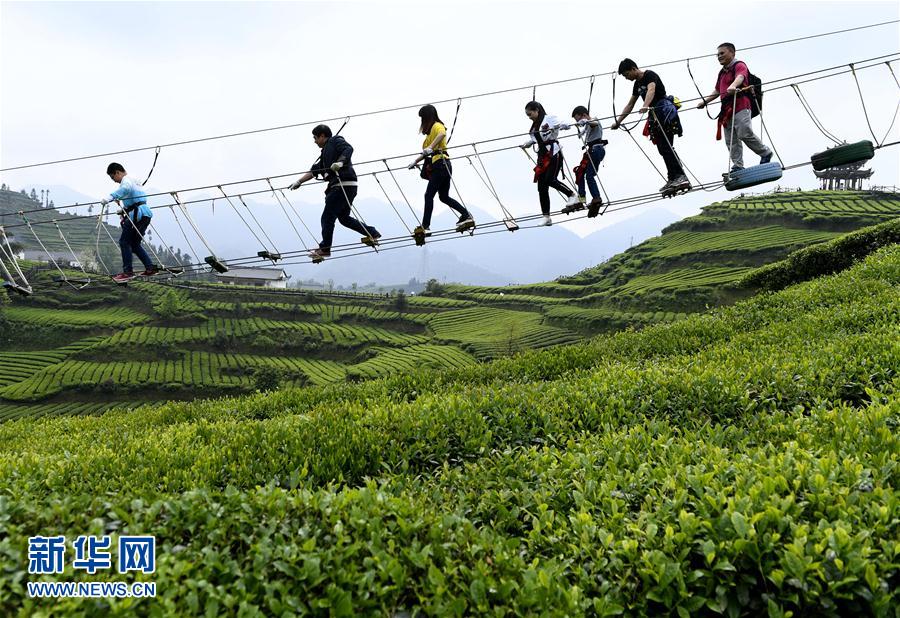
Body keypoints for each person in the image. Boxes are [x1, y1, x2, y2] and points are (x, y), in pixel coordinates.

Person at [289, 125, 381, 260]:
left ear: (322, 136)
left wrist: (340, 162)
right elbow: (315, 171)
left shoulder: (335, 141)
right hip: (348, 186)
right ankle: (372, 232)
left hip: (341, 185)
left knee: (327, 217)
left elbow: (348, 148)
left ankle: (325, 248)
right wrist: (299, 182)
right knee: (343, 218)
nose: (314, 141)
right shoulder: (325, 154)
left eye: (315, 138)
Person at [611, 59, 690, 194]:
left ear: (633, 68)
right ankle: (673, 177)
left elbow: (651, 90)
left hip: (664, 111)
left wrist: (645, 105)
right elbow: (630, 104)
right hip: (654, 115)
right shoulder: (636, 85)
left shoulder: (649, 75)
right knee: (662, 148)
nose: (626, 78)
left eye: (626, 74)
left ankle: (680, 176)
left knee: (666, 146)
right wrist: (618, 122)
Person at [696, 42, 773, 175]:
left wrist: (733, 86)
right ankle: (738, 166)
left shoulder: (739, 65)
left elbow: (741, 76)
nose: (719, 56)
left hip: (741, 104)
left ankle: (765, 152)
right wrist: (705, 102)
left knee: (744, 132)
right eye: (717, 54)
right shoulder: (722, 73)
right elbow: (717, 90)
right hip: (726, 109)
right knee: (731, 140)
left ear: (732, 53)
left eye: (722, 53)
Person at [407, 105, 474, 236]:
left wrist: (431, 147)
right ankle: (465, 214)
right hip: (442, 164)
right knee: (443, 196)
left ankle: (425, 226)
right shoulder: (428, 137)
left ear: (427, 117)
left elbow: (442, 134)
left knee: (428, 195)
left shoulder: (437, 126)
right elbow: (426, 152)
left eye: (422, 118)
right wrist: (415, 161)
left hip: (441, 164)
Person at [520, 101, 579, 226]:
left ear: (537, 110)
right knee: (541, 187)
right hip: (542, 156)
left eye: (530, 114)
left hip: (553, 153)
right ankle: (546, 216)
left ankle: (572, 195)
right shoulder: (534, 126)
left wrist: (564, 126)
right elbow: (535, 139)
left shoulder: (549, 119)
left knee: (550, 179)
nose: (529, 117)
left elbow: (562, 124)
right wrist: (528, 143)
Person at [100, 162, 158, 283]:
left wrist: (110, 197)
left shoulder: (126, 181)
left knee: (124, 242)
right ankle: (149, 267)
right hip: (145, 214)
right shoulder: (135, 180)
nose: (114, 180)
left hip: (136, 215)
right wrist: (124, 209)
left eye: (113, 177)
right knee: (135, 244)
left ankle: (128, 272)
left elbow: (125, 189)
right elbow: (135, 197)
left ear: (117, 172)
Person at [560, 105, 606, 212]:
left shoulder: (594, 120)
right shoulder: (586, 124)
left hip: (596, 150)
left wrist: (586, 121)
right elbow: (585, 128)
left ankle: (596, 197)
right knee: (580, 174)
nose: (579, 121)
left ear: (584, 115)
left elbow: (593, 123)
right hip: (591, 151)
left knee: (589, 176)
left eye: (579, 118)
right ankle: (582, 199)